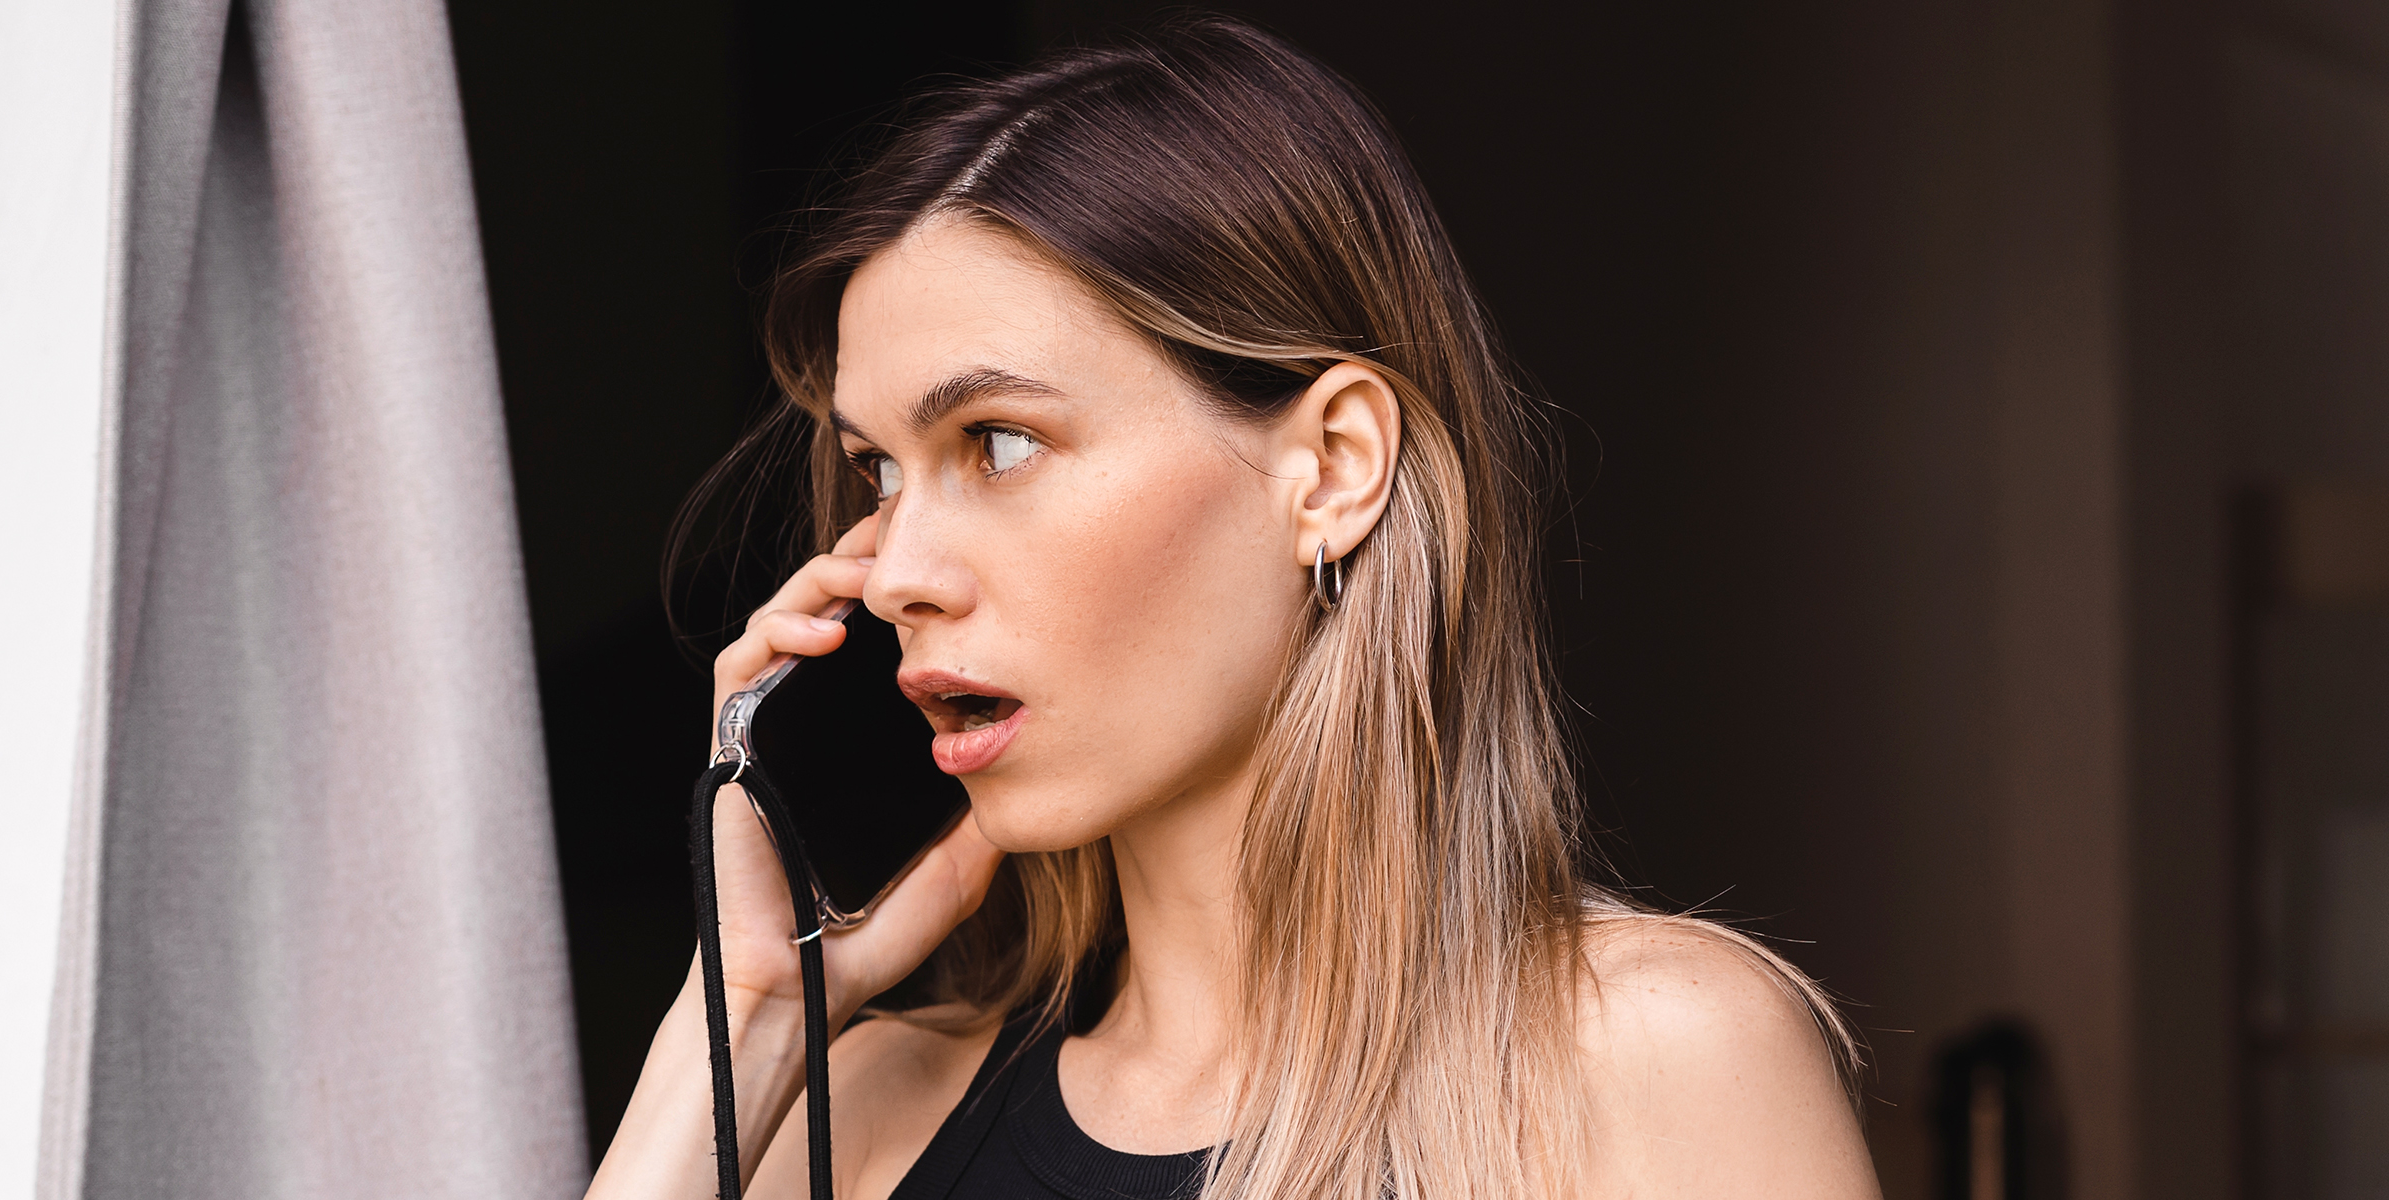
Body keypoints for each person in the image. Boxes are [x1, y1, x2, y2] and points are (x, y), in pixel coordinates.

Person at [587, 16, 1881, 1200]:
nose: (896, 572)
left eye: (1001, 442)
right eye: (877, 470)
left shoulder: (1650, 1068)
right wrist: (750, 1015)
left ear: (1331, 471)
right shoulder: (864, 1119)